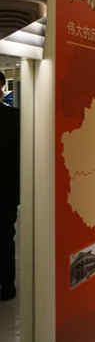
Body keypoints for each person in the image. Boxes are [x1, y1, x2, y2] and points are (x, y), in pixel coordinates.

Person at [0, 72, 20, 300]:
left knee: (5, 238)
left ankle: (7, 285)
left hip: (6, 191)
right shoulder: (14, 118)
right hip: (8, 190)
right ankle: (7, 286)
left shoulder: (15, 118)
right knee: (5, 238)